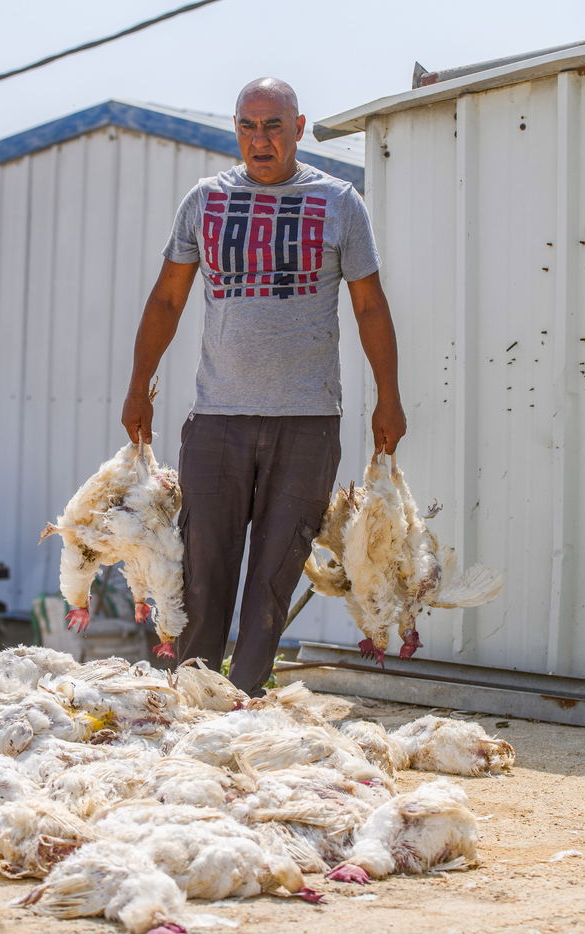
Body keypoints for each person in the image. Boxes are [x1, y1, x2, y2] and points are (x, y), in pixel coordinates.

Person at [120, 77, 406, 695]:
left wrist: (389, 394)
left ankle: (245, 701)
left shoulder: (339, 203)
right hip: (218, 419)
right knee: (203, 573)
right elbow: (168, 299)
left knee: (274, 577)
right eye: (248, 126)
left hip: (306, 424)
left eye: (273, 126)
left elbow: (370, 309)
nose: (260, 139)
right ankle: (192, 700)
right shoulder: (205, 201)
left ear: (299, 129)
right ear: (236, 131)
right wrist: (139, 384)